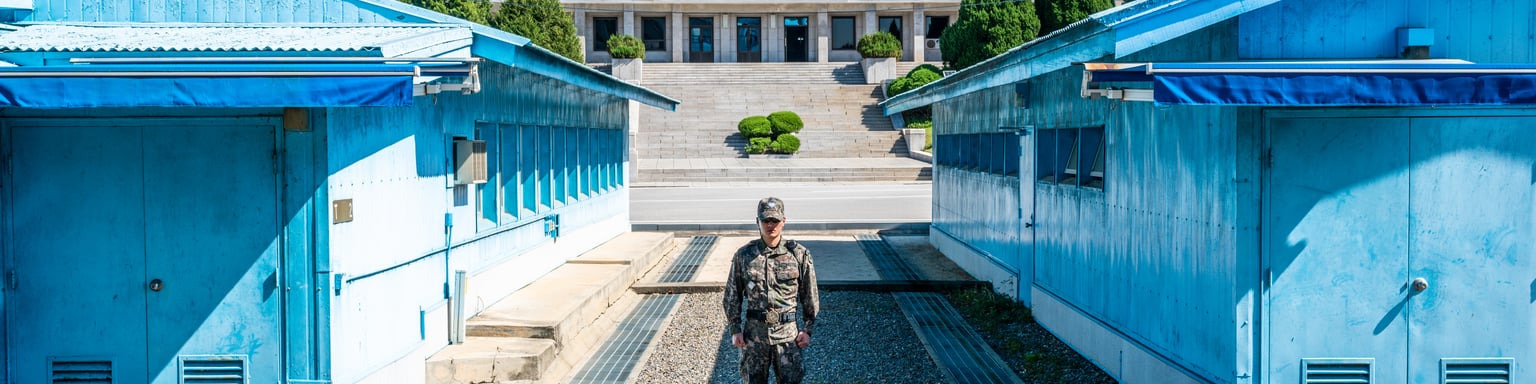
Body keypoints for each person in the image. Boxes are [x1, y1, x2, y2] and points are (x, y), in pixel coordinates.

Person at [723, 197, 820, 384]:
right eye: (766, 220)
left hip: (788, 336)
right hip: (754, 336)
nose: (770, 225)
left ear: (783, 221)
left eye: (775, 220)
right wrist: (734, 329)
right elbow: (732, 294)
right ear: (757, 221)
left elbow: (810, 294)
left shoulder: (798, 254)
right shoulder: (744, 255)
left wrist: (808, 329)